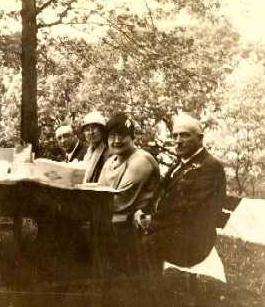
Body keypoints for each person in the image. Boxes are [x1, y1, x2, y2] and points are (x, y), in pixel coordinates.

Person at [138, 112, 227, 305]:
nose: (178, 141)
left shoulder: (210, 167)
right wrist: (144, 212)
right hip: (174, 229)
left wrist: (152, 222)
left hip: (194, 238)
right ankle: (140, 292)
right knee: (129, 234)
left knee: (147, 244)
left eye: (185, 135)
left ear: (200, 138)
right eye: (175, 136)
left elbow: (189, 209)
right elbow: (158, 192)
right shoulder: (180, 163)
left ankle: (152, 300)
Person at [98, 113, 160, 277]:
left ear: (132, 137)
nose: (117, 140)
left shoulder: (140, 160)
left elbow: (120, 202)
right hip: (114, 220)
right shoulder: (111, 161)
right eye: (112, 136)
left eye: (122, 135)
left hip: (134, 226)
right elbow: (98, 190)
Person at [82, 111, 110, 183]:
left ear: (102, 131)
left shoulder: (108, 152)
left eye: (94, 128)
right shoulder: (89, 152)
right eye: (87, 130)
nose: (91, 132)